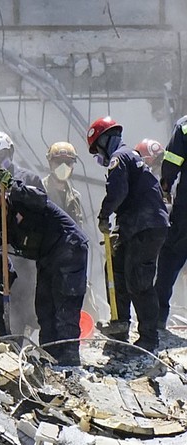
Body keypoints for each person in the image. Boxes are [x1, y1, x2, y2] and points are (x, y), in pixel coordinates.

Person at [0, 172, 88, 365]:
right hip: (47, 257)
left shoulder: (19, 197)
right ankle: (50, 355)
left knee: (64, 304)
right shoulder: (3, 223)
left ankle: (69, 358)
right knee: (44, 307)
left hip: (68, 247)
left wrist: (14, 186)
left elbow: (40, 198)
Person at [89, 116, 169, 352]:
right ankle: (120, 324)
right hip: (136, 226)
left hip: (145, 227)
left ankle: (149, 338)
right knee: (115, 267)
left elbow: (118, 191)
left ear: (104, 141)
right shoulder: (128, 157)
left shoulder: (119, 158)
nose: (99, 157)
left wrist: (104, 215)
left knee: (139, 281)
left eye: (97, 151)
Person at [0, 131, 44, 336]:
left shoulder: (29, 179)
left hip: (25, 258)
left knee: (26, 306)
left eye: (1, 154)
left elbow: (40, 213)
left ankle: (25, 346)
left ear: (11, 152)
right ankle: (2, 346)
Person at [156, 118, 187, 329]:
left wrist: (164, 188)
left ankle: (157, 320)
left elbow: (171, 163)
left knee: (170, 259)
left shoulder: (184, 126)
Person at [41, 141, 85, 226]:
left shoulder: (75, 197)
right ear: (50, 164)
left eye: (68, 162)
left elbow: (78, 228)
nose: (63, 166)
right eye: (59, 162)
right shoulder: (40, 190)